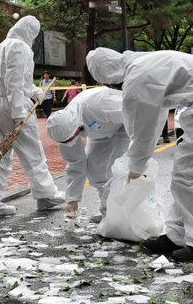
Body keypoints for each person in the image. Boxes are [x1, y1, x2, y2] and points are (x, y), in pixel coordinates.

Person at [86, 48, 193, 262]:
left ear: (107, 76)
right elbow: (156, 117)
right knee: (191, 179)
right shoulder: (147, 61)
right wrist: (139, 159)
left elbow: (141, 126)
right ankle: (178, 235)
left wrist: (136, 164)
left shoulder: (138, 75)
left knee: (189, 180)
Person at [0, 16, 65, 217]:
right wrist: (19, 112)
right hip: (12, 107)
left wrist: (34, 91)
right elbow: (15, 82)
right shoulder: (21, 47)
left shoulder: (2, 46)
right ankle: (46, 196)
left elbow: (16, 81)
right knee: (32, 152)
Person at [46, 86, 130, 223]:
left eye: (70, 139)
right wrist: (73, 199)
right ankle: (107, 212)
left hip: (127, 125)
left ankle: (120, 215)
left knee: (118, 170)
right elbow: (75, 162)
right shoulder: (63, 127)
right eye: (65, 142)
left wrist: (141, 147)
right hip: (100, 131)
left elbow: (136, 113)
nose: (69, 143)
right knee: (96, 172)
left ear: (76, 129)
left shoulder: (101, 106)